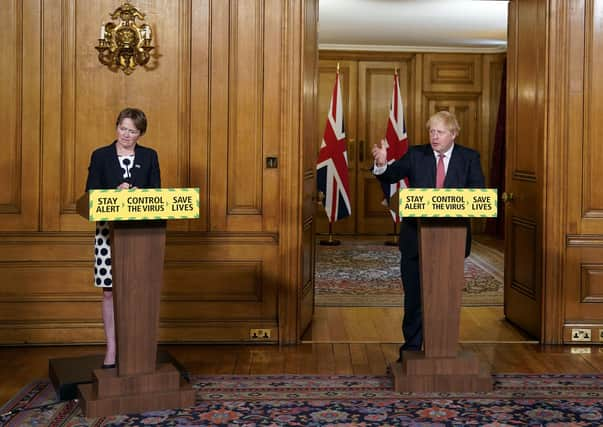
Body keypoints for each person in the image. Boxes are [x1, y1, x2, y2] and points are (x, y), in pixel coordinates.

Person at [371, 110, 485, 362]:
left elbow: (479, 195)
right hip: (415, 240)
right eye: (431, 131)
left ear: (453, 134)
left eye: (440, 132)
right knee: (415, 297)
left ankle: (443, 349)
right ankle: (411, 348)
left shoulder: (469, 158)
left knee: (444, 296)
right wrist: (381, 163)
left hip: (452, 242)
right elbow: (391, 175)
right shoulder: (416, 154)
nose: (434, 136)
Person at [85, 107, 161, 368]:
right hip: (108, 233)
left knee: (140, 292)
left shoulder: (150, 157)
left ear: (140, 134)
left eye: (133, 131)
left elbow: (158, 196)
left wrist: (140, 194)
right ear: (116, 126)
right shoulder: (101, 156)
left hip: (142, 235)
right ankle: (112, 349)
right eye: (123, 128)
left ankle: (138, 348)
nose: (127, 135)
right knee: (109, 292)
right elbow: (90, 194)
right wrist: (113, 191)